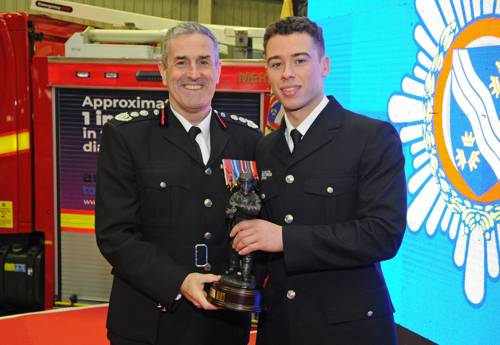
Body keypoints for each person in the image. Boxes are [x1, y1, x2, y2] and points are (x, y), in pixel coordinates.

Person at [230, 16, 407, 345]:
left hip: (351, 331)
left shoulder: (371, 137)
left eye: (300, 60)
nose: (287, 73)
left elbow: (382, 235)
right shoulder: (266, 148)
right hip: (280, 328)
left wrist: (286, 238)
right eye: (276, 63)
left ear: (324, 65)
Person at [95, 21, 262, 345]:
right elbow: (115, 234)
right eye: (181, 62)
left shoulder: (248, 138)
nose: (193, 73)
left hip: (224, 322)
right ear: (162, 70)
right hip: (149, 322)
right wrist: (179, 280)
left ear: (219, 68)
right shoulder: (127, 136)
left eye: (203, 61)